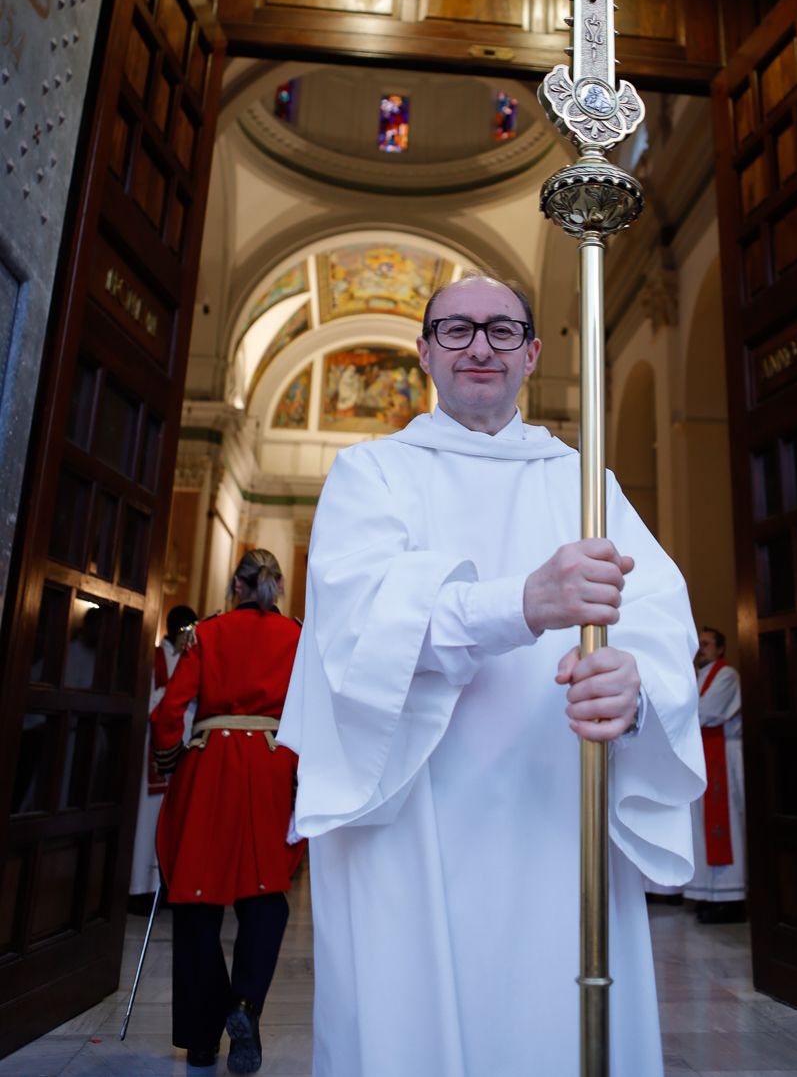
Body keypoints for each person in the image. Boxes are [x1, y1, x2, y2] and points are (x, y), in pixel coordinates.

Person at [278, 273, 705, 1077]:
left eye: (503, 331)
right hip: (408, 822)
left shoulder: (585, 484)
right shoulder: (371, 474)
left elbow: (658, 617)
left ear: (533, 354)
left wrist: (638, 685)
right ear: (425, 352)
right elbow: (361, 631)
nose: (480, 345)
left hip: (557, 809)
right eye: (457, 329)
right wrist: (525, 601)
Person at [151, 551, 305, 1074]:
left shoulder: (207, 634)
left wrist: (171, 760)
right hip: (269, 766)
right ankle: (243, 1007)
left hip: (210, 764)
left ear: (235, 586)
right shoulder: (297, 637)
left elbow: (171, 710)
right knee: (265, 894)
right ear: (277, 587)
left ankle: (200, 1038)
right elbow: (311, 713)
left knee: (197, 897)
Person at [129, 604, 198, 911]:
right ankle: (141, 888)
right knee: (149, 820)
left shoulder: (194, 657)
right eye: (185, 630)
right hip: (155, 751)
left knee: (178, 818)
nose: (188, 636)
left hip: (184, 746)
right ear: (172, 629)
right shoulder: (154, 657)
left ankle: (168, 885)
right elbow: (147, 701)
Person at [683, 626, 746, 922]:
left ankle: (731, 897)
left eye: (707, 644)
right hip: (703, 754)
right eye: (700, 644)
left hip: (724, 754)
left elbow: (706, 712)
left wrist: (678, 715)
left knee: (727, 824)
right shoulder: (694, 676)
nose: (702, 649)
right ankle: (709, 894)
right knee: (701, 826)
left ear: (720, 649)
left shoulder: (726, 675)